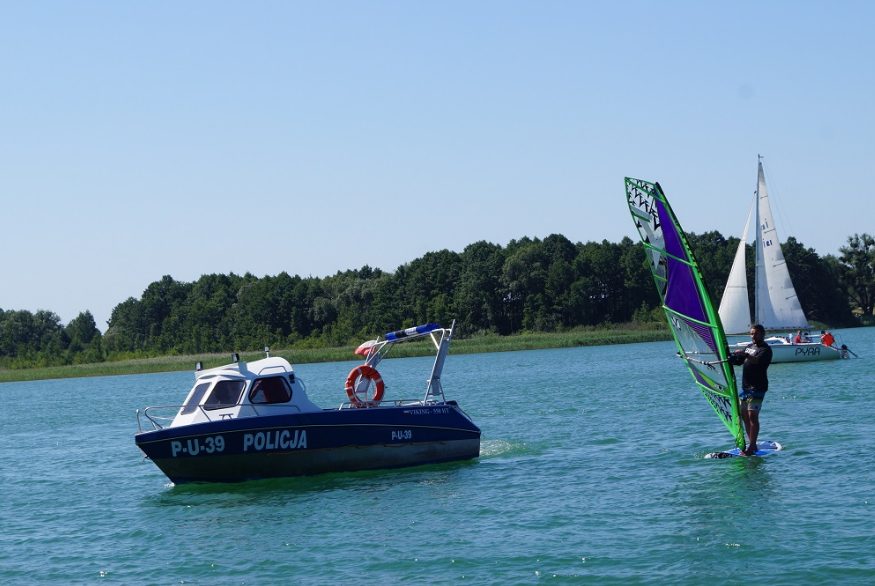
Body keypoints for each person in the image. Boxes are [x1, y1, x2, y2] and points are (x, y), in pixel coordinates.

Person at [729, 324, 773, 456]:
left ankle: (752, 446)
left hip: (758, 387)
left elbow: (756, 361)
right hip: (746, 387)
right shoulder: (749, 347)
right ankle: (752, 443)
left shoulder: (765, 350)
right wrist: (731, 357)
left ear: (762, 334)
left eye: (755, 333)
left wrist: (745, 354)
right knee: (744, 416)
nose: (753, 336)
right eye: (751, 334)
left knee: (752, 415)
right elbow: (739, 361)